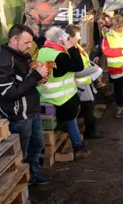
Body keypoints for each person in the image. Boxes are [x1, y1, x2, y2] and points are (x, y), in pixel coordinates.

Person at [0, 24, 50, 185]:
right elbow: (10, 94)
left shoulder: (23, 55)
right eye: (27, 42)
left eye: (31, 42)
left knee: (37, 145)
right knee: (20, 153)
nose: (30, 46)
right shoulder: (1, 64)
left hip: (32, 110)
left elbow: (26, 81)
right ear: (14, 39)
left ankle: (32, 176)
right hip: (18, 116)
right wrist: (35, 76)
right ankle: (20, 186)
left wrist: (39, 74)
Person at [36, 26, 89, 158]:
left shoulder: (43, 51)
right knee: (71, 118)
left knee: (77, 95)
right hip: (61, 99)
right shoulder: (60, 55)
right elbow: (78, 66)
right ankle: (78, 147)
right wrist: (71, 48)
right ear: (61, 40)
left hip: (44, 96)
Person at [66, 25, 105, 139]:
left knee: (91, 104)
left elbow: (85, 62)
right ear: (70, 37)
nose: (79, 38)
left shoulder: (76, 47)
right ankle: (90, 132)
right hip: (80, 84)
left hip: (86, 82)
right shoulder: (69, 51)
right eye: (78, 36)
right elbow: (76, 72)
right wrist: (94, 70)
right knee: (89, 106)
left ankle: (90, 129)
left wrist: (93, 66)